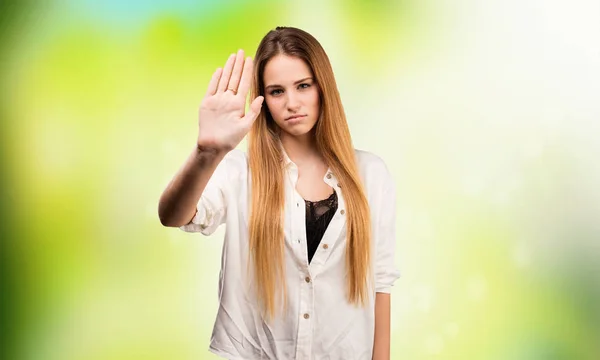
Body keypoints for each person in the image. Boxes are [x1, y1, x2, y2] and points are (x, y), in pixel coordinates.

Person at [158, 26, 400, 360]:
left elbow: (380, 284)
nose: (292, 103)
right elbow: (172, 216)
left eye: (303, 86)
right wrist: (206, 152)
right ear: (263, 101)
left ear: (323, 86)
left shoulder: (371, 175)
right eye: (276, 91)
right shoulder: (240, 173)